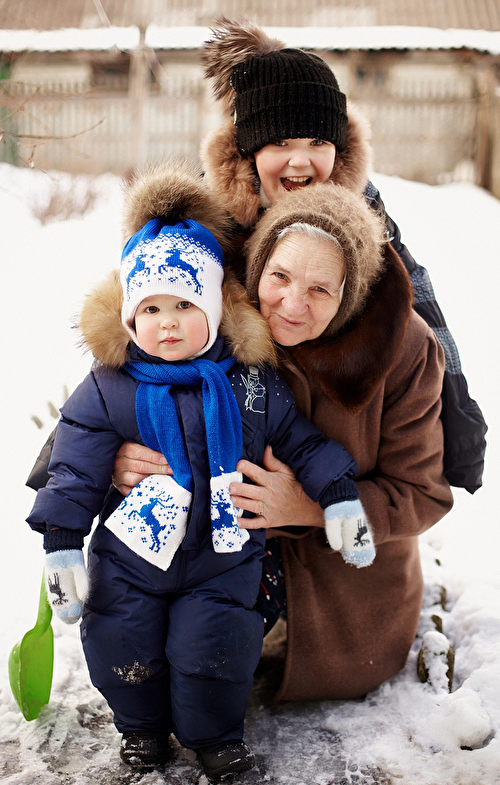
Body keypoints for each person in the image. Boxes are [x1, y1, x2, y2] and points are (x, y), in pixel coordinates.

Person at [26, 161, 376, 780]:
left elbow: (301, 442)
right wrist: (61, 543)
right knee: (120, 639)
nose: (166, 322)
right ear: (129, 315)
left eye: (184, 305)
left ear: (214, 308)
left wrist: (339, 495)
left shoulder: (250, 383)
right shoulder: (110, 386)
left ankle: (215, 735)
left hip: (224, 554)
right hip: (131, 556)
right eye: (151, 308)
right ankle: (140, 729)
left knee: (216, 647)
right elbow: (74, 463)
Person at [113, 175, 454, 704]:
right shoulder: (202, 313)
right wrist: (118, 459)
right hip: (211, 557)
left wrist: (310, 506)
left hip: (344, 594)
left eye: (320, 289)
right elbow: (99, 407)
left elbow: (423, 493)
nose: (293, 304)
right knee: (151, 667)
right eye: (280, 277)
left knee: (215, 672)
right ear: (258, 269)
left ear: (348, 294)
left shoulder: (405, 347)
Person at [195, 16, 486, 495]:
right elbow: (147, 310)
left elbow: (418, 300)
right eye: (280, 141)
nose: (300, 160)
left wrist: (459, 416)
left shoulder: (363, 216)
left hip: (326, 456)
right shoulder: (207, 218)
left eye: (318, 142)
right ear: (248, 150)